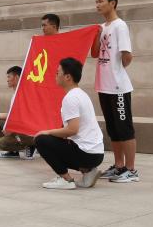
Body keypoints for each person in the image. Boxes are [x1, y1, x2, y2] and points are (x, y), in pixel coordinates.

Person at [34, 57, 105, 190]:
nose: (55, 75)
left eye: (58, 73)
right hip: (96, 154)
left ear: (67, 77)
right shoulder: (81, 94)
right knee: (52, 138)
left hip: (87, 154)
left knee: (41, 140)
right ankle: (89, 171)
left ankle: (66, 180)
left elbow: (72, 130)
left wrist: (47, 132)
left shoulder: (71, 98)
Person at [91, 0, 138, 183]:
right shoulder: (102, 27)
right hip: (104, 86)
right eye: (96, 1)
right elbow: (94, 53)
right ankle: (119, 166)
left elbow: (127, 56)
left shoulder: (120, 26)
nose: (97, 5)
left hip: (118, 87)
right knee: (113, 129)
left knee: (124, 128)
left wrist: (117, 71)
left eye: (101, 1)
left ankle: (131, 170)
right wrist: (96, 34)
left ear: (113, 3)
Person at [0, 66, 35, 159]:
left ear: (16, 77)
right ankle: (13, 152)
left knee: (2, 143)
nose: (7, 80)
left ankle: (30, 144)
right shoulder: (15, 94)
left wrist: (12, 128)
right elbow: (13, 114)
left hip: (29, 131)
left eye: (9, 77)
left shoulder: (25, 94)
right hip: (20, 128)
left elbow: (25, 117)